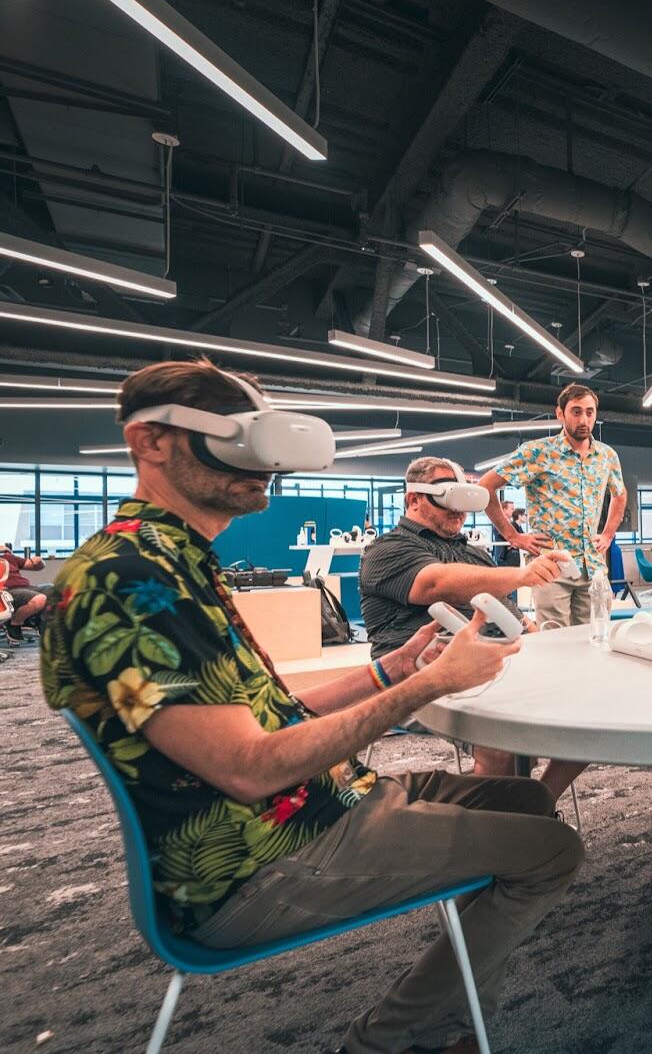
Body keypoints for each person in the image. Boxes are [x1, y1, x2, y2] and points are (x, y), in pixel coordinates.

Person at [42, 360, 583, 1054]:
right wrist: (428, 686)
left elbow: (264, 712)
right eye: (236, 442)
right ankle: (386, 1041)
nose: (262, 466)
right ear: (150, 442)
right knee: (553, 851)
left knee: (523, 800)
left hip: (317, 800)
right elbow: (247, 768)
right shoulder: (127, 579)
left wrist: (389, 669)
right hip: (259, 856)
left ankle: (452, 1011)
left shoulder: (173, 558)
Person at [360, 456, 576, 784]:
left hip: (497, 664)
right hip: (420, 670)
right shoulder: (386, 550)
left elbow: (509, 610)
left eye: (464, 500)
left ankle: (536, 805)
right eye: (447, 498)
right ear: (413, 499)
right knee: (499, 741)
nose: (458, 510)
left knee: (579, 705)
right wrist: (522, 575)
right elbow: (437, 583)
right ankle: (500, 822)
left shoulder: (474, 553)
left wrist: (536, 635)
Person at [481, 383, 624, 627]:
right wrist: (513, 536)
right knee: (555, 641)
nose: (584, 419)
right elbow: (485, 486)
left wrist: (608, 534)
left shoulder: (606, 456)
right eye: (576, 411)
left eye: (589, 412)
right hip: (551, 564)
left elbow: (619, 494)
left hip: (593, 565)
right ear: (560, 414)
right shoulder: (538, 452)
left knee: (596, 638)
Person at [1, 542, 46, 642]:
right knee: (39, 599)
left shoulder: (9, 557)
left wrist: (40, 561)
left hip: (26, 587)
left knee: (55, 592)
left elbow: (36, 566)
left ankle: (42, 624)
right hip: (8, 590)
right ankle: (14, 624)